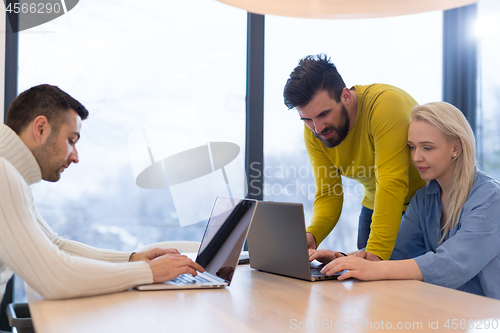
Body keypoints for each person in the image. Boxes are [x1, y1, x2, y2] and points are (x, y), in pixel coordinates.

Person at [0, 84, 204, 302]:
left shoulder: (11, 176)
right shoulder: (4, 175)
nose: (75, 157)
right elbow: (55, 279)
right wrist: (150, 272)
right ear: (40, 128)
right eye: (71, 140)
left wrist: (132, 260)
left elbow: (55, 246)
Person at [310, 102, 500, 299]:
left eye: (427, 148)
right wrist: (340, 259)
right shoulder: (424, 198)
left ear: (456, 148)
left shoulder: (491, 199)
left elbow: (452, 264)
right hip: (446, 310)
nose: (416, 157)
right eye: (412, 147)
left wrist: (374, 270)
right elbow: (394, 251)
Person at [283, 54, 425, 260]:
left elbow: (391, 181)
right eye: (306, 119)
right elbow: (328, 191)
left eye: (324, 114)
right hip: (375, 205)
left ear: (346, 96)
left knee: (404, 287)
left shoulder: (385, 105)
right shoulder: (315, 130)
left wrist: (376, 252)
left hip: (422, 205)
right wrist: (312, 235)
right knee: (368, 287)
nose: (318, 128)